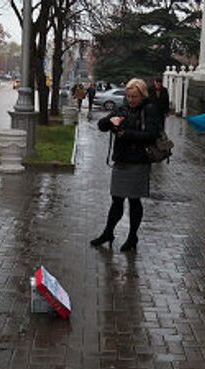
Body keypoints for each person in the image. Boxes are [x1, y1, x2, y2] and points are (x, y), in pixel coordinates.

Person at [91, 78, 160, 252]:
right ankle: (108, 232)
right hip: (121, 160)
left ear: (142, 95)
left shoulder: (148, 109)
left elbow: (152, 135)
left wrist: (125, 133)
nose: (131, 100)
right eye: (128, 96)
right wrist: (110, 122)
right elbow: (101, 125)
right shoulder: (122, 108)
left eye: (134, 96)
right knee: (116, 199)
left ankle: (132, 236)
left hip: (138, 161)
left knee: (134, 200)